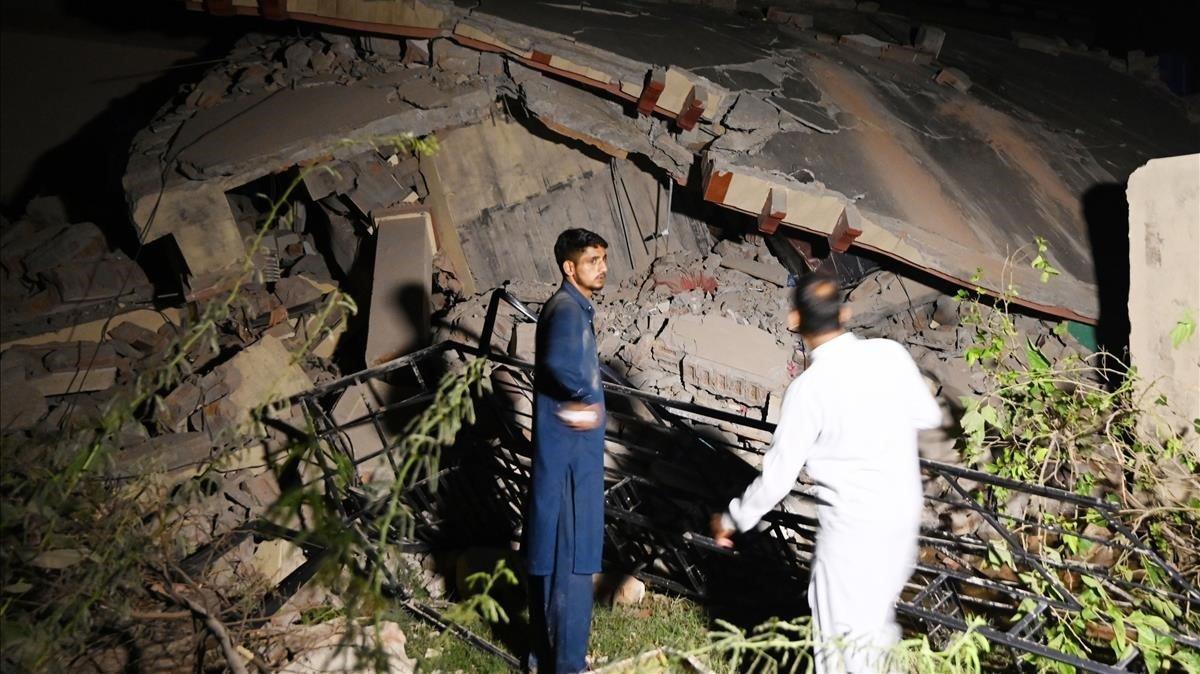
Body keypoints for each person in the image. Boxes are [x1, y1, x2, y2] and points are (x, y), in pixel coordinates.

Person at [710, 272, 941, 674]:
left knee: (840, 651)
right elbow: (927, 414)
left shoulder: (808, 390)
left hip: (853, 535)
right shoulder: (890, 354)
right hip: (902, 521)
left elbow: (777, 479)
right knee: (875, 631)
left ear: (794, 321)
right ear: (845, 312)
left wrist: (732, 519)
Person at [526, 228, 609, 674]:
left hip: (564, 462)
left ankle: (543, 657)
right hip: (570, 468)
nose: (602, 267)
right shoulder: (565, 312)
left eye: (603, 258)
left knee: (553, 563)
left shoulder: (571, 308)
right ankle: (568, 665)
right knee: (572, 570)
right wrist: (582, 401)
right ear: (569, 267)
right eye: (593, 259)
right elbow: (559, 364)